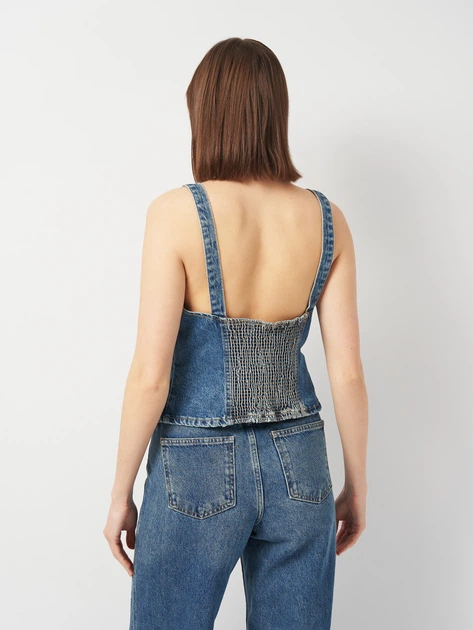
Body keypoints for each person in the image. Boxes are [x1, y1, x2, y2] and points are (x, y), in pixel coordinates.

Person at [103, 37, 368, 630]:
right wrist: (356, 485)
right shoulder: (327, 219)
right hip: (301, 463)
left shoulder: (175, 213)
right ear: (276, 112)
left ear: (205, 111)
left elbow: (150, 377)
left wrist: (121, 493)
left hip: (194, 463)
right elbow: (348, 373)